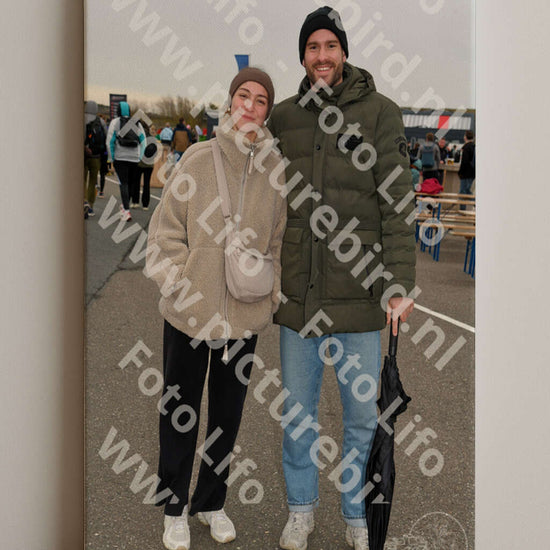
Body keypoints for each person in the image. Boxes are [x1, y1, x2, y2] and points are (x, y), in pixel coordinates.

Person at [267, 6, 416, 550]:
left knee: (360, 422)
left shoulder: (381, 114)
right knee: (297, 418)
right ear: (303, 56)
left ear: (345, 52)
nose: (322, 55)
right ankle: (300, 511)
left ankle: (356, 513)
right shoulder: (283, 117)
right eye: (313, 47)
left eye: (330, 45)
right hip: (299, 299)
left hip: (359, 298)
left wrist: (398, 284)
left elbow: (397, 205)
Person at [146, 67, 287, 550]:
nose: (250, 105)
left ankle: (210, 502)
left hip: (243, 316)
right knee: (180, 410)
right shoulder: (199, 158)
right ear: (229, 103)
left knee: (228, 416)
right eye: (243, 96)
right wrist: (178, 282)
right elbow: (165, 231)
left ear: (267, 112)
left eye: (261, 100)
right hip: (190, 311)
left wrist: (271, 294)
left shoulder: (275, 171)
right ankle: (173, 508)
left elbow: (277, 242)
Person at [106, 101, 146, 221]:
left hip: (120, 157)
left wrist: (111, 157)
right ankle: (124, 206)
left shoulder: (115, 122)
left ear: (118, 110)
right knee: (130, 183)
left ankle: (127, 211)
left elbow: (109, 141)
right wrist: (140, 156)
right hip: (134, 158)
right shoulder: (136, 123)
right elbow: (144, 141)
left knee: (123, 183)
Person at [84, 100, 106, 217]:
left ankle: (83, 201)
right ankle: (91, 206)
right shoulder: (101, 121)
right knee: (93, 182)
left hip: (83, 155)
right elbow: (105, 138)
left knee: (82, 180)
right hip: (96, 156)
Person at [134, 121, 157, 210]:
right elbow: (156, 152)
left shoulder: (138, 136)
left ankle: (135, 202)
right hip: (149, 164)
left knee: (136, 182)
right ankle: (145, 204)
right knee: (146, 184)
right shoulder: (152, 138)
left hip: (139, 162)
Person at [458, 130, 476, 210]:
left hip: (465, 174)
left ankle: (462, 210)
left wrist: (460, 172)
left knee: (463, 192)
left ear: (465, 137)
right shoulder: (474, 147)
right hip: (472, 173)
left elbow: (464, 162)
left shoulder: (466, 148)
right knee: (467, 190)